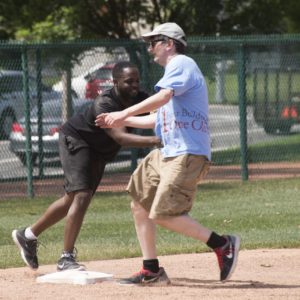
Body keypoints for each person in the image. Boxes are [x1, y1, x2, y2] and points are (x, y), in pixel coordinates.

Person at [95, 23, 240, 285]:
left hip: (187, 153)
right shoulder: (173, 77)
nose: (150, 48)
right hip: (167, 152)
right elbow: (158, 117)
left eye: (154, 42)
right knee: (139, 203)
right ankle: (151, 270)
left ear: (169, 44)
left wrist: (124, 113)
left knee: (162, 213)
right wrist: (117, 121)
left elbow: (162, 98)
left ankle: (222, 244)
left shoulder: (182, 63)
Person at [12, 61, 162, 272]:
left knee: (72, 198)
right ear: (115, 82)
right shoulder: (105, 103)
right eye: (129, 81)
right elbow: (120, 137)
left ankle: (27, 235)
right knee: (81, 195)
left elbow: (162, 109)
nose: (135, 85)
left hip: (99, 151)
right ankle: (66, 258)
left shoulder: (138, 98)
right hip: (77, 140)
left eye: (137, 81)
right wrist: (156, 141)